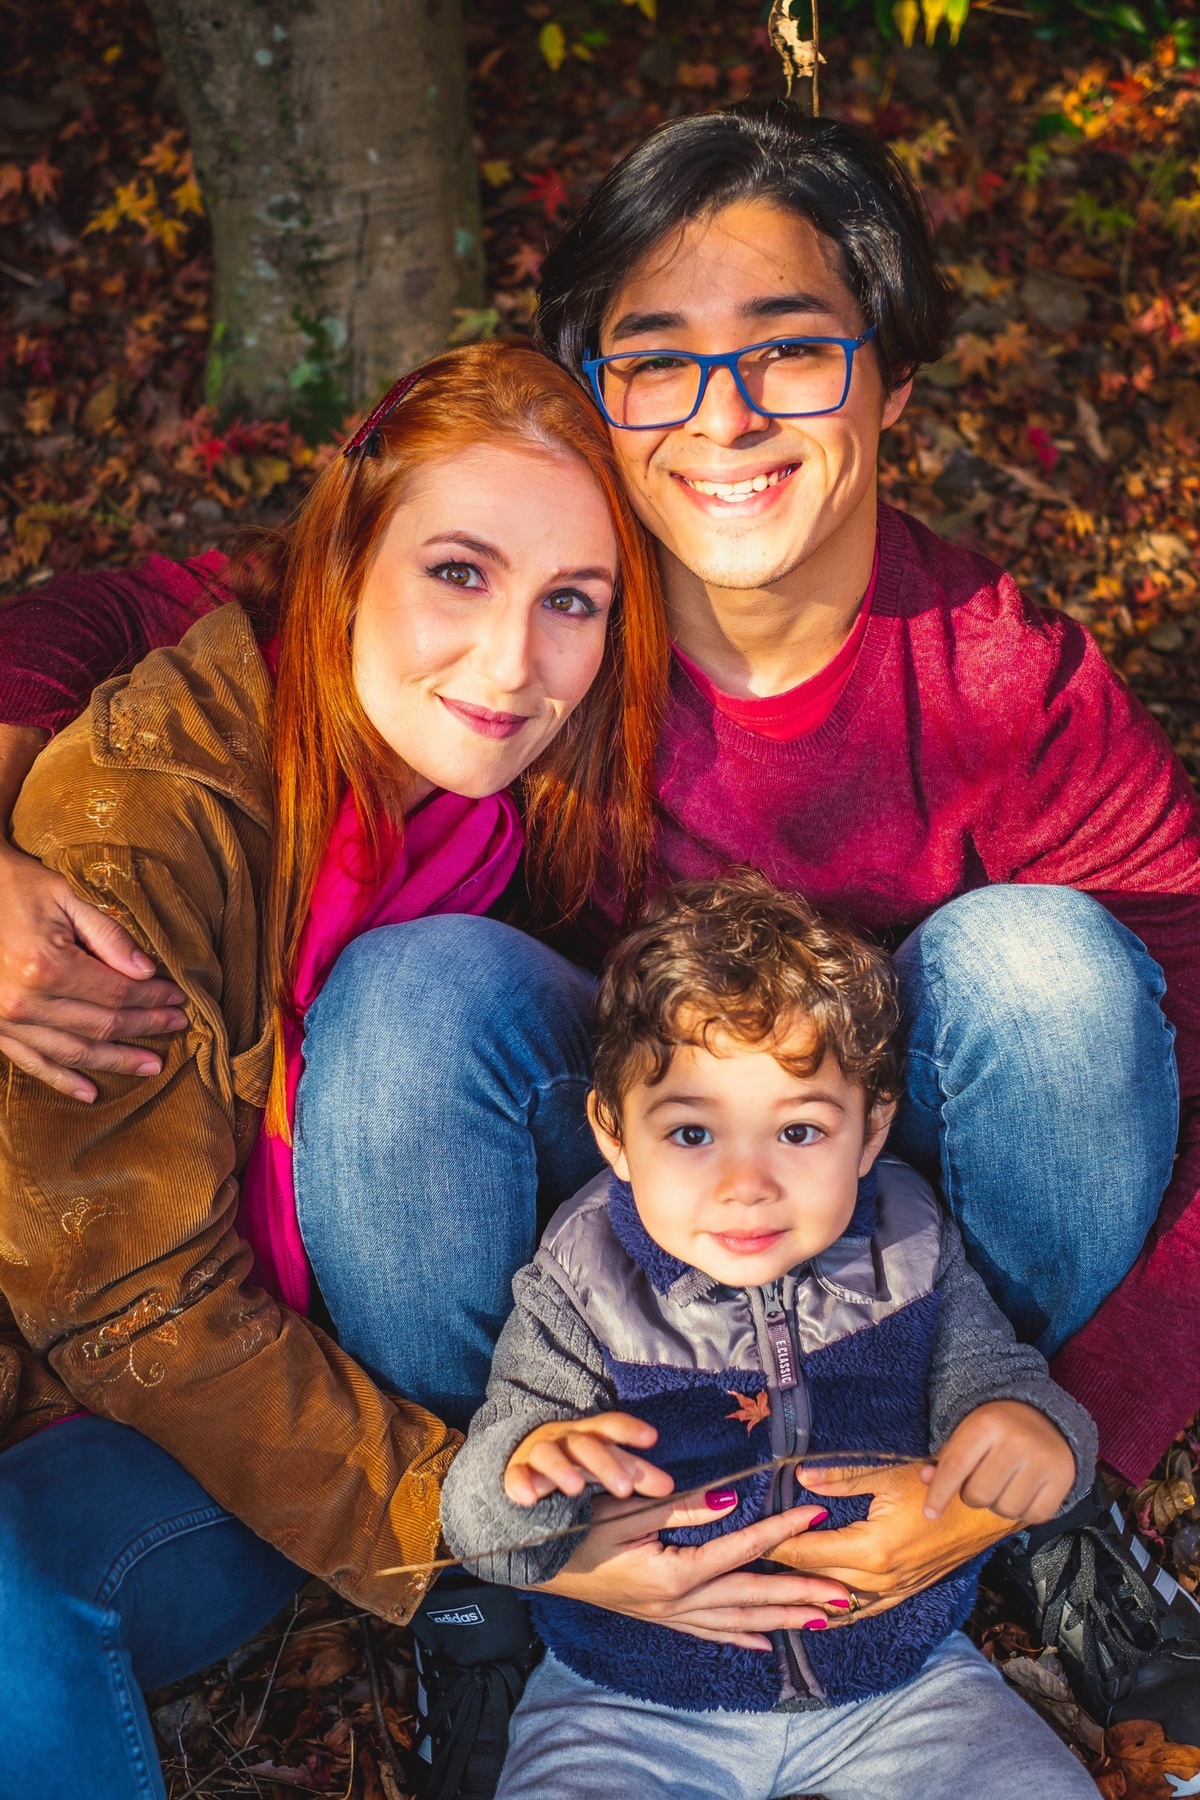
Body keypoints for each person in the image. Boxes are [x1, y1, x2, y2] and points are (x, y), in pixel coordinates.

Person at [1, 104, 1199, 1736]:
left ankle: (992, 1510)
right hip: (608, 1213)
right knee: (411, 993)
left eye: (791, 353)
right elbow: (157, 614)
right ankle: (495, 1563)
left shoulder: (1003, 678)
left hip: (902, 1241)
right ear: (597, 391)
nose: (727, 418)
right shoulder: (547, 598)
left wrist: (1079, 1433)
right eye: (660, 362)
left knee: (1053, 970)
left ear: (894, 380)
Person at [0, 342, 855, 1800]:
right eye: (458, 573)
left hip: (385, 1397)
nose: (512, 663)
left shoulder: (515, 816)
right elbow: (129, 1300)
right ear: (341, 562)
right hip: (151, 1407)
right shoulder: (143, 824)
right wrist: (510, 1536)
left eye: (569, 602)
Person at [440, 871, 1099, 1799]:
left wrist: (1036, 1435)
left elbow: (1010, 1389)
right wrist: (529, 1474)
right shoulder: (583, 1280)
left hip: (903, 1684)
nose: (745, 1184)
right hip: (628, 1699)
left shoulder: (908, 1245)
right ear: (614, 1135)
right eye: (691, 1135)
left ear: (870, 1136)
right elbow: (476, 1521)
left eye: (797, 1132)